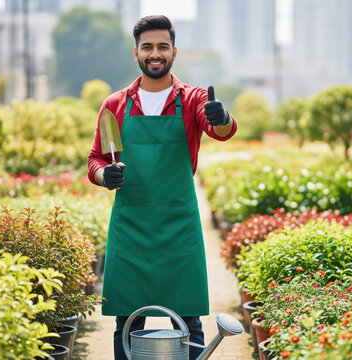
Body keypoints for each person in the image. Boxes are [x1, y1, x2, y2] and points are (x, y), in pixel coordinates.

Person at [87, 15, 237, 360]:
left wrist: (221, 115)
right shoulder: (114, 105)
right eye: (148, 47)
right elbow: (96, 159)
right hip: (131, 229)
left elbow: (222, 130)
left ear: (174, 51)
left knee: (189, 321)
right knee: (127, 323)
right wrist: (103, 176)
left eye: (162, 47)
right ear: (136, 52)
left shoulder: (194, 98)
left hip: (178, 228)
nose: (155, 53)